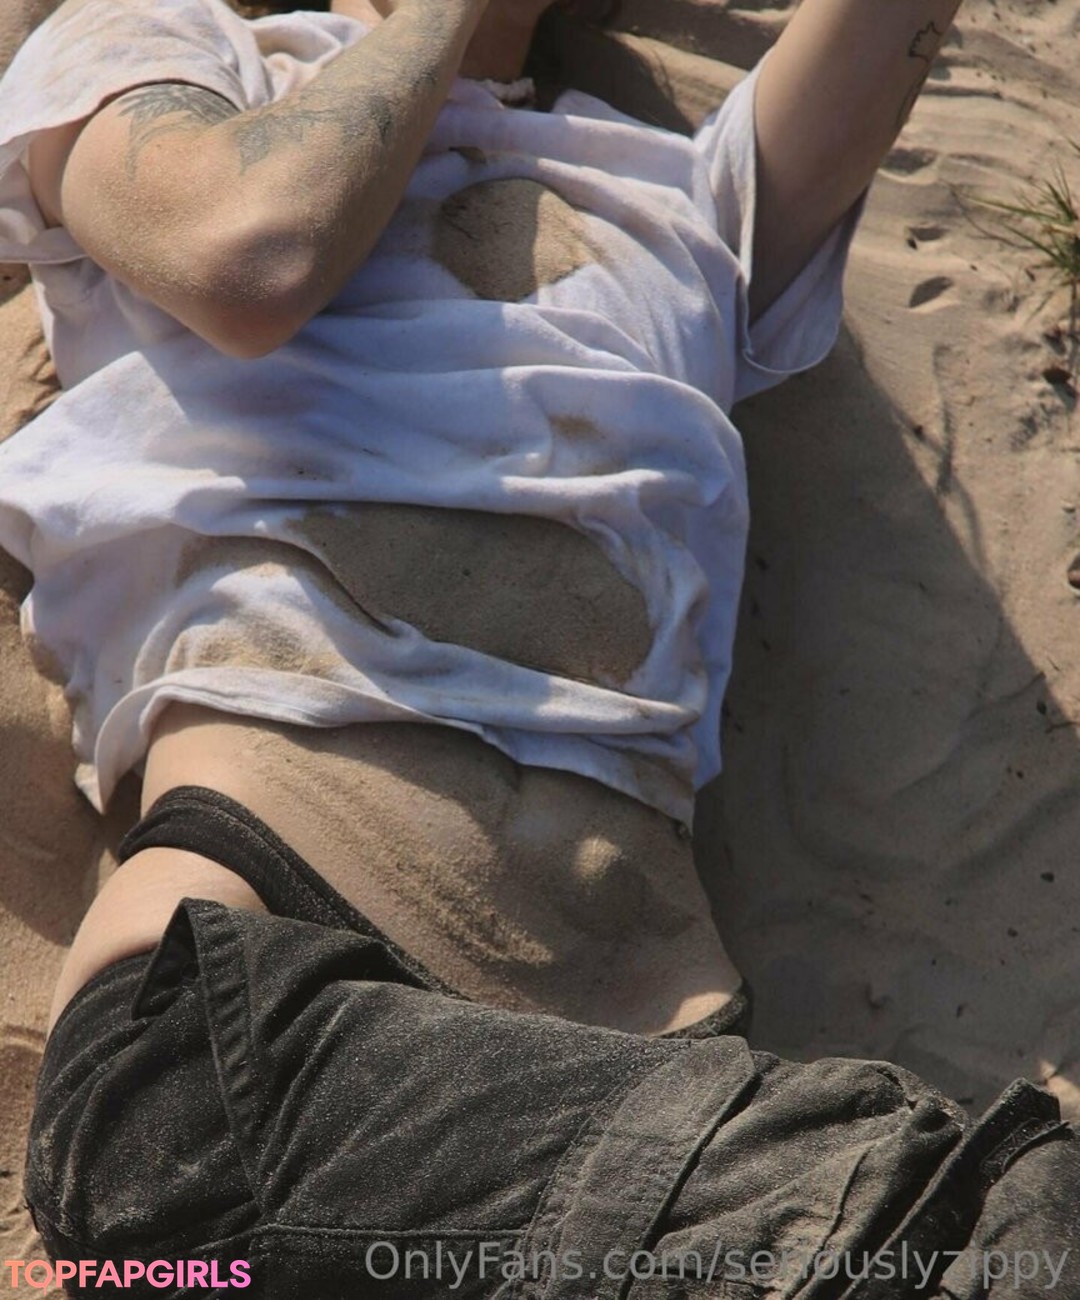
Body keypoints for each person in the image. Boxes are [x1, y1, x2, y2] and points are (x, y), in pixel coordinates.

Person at [1, 0, 1078, 1294]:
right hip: (242, 1044)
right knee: (1011, 1233)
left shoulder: (686, 199)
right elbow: (251, 253)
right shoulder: (179, 56)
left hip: (645, 1094)